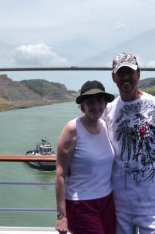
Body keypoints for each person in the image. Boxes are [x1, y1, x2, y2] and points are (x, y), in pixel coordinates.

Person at [103, 52, 155, 234]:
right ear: (113, 77)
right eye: (120, 73)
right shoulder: (108, 110)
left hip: (153, 207)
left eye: (129, 72)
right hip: (119, 206)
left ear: (138, 73)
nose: (125, 77)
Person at [55, 80, 116, 234]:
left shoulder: (104, 125)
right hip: (81, 204)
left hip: (108, 201)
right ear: (82, 105)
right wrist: (62, 215)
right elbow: (60, 173)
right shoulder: (73, 129)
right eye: (90, 102)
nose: (96, 106)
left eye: (99, 101)